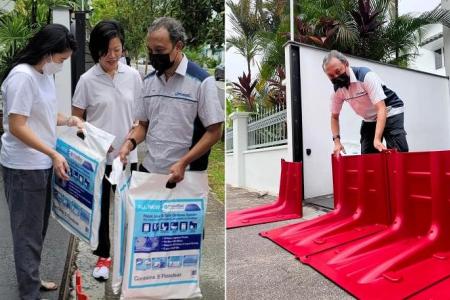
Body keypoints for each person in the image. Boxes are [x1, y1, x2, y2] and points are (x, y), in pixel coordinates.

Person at [0, 24, 82, 300]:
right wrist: (53, 153)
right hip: (24, 167)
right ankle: (28, 292)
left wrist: (68, 119)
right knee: (27, 233)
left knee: (37, 229)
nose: (61, 65)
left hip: (41, 164)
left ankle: (31, 281)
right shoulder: (22, 77)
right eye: (60, 60)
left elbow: (44, 114)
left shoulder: (42, 75)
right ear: (47, 53)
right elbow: (17, 126)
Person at [71, 20, 142, 281]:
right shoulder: (87, 81)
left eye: (117, 49)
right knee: (101, 210)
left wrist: (133, 133)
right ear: (96, 51)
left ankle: (127, 256)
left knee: (128, 208)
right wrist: (94, 138)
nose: (112, 56)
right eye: (106, 51)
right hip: (99, 158)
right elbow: (76, 120)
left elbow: (140, 116)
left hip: (127, 156)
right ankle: (104, 256)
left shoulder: (133, 77)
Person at [118, 17, 224, 184]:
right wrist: (129, 144)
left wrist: (183, 162)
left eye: (159, 50)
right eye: (150, 50)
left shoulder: (201, 82)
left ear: (178, 46)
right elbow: (143, 125)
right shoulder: (148, 81)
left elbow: (215, 131)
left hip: (186, 176)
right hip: (150, 171)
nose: (154, 56)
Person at [323, 50, 409, 155]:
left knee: (397, 151)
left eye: (338, 71)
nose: (336, 77)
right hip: (370, 118)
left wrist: (377, 139)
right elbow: (334, 117)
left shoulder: (365, 76)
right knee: (368, 154)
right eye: (331, 76)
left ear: (346, 64)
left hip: (389, 109)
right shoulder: (337, 91)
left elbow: (381, 108)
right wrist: (337, 142)